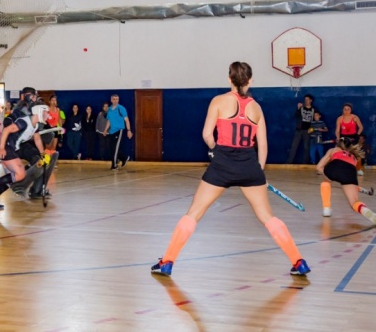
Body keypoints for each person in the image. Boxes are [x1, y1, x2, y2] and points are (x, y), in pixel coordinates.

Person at [151, 62, 310, 277]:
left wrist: (215, 149)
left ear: (229, 79)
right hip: (249, 166)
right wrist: (259, 172)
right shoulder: (257, 108)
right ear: (250, 80)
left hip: (222, 165)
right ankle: (298, 262)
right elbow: (263, 146)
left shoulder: (218, 101)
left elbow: (207, 135)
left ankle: (167, 262)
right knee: (267, 216)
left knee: (193, 214)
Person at [0, 103, 49, 209]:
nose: (47, 115)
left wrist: (43, 154)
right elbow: (6, 130)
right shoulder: (24, 122)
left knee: (11, 179)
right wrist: (2, 148)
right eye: (46, 112)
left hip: (11, 148)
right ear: (39, 112)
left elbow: (37, 139)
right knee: (20, 174)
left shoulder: (35, 125)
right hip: (6, 147)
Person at [316, 136, 376, 224]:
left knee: (326, 181)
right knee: (354, 202)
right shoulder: (354, 157)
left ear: (338, 144)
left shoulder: (333, 150)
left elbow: (318, 167)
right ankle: (368, 212)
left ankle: (326, 209)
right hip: (350, 172)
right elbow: (345, 172)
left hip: (333, 169)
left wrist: (328, 175)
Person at [103, 94, 132, 170]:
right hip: (112, 131)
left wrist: (129, 130)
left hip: (119, 130)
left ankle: (114, 165)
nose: (115, 100)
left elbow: (126, 120)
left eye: (117, 99)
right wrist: (105, 130)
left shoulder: (121, 108)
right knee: (111, 148)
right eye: (114, 99)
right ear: (111, 100)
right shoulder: (109, 109)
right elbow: (109, 120)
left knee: (115, 148)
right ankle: (124, 158)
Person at [286, 94, 315, 164]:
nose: (306, 101)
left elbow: (315, 122)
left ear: (311, 100)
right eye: (305, 99)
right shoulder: (301, 108)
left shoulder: (313, 110)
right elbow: (296, 115)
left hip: (307, 131)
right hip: (299, 130)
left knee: (306, 147)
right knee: (294, 146)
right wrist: (298, 108)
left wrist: (311, 130)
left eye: (308, 99)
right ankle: (289, 162)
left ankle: (305, 163)